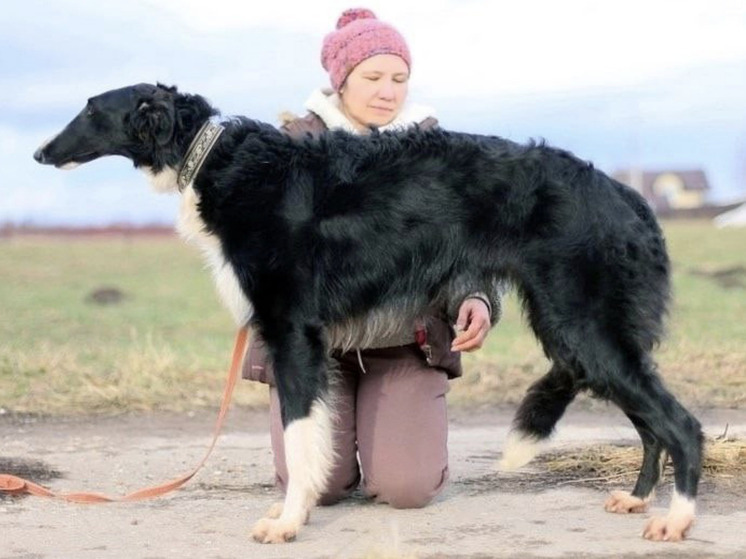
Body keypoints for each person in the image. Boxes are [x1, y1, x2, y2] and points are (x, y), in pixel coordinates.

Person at [242, 8, 503, 509]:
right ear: (340, 80)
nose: (388, 90)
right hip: (316, 349)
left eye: (399, 78)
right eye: (373, 77)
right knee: (319, 488)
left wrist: (476, 296)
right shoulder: (289, 149)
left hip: (405, 342)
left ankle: (397, 448)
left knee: (406, 489)